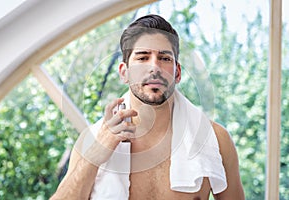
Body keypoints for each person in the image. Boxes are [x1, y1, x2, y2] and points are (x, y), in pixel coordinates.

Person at [51, 14, 245, 200]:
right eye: (143, 58)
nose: (154, 67)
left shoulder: (216, 139)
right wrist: (97, 152)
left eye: (164, 58)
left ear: (177, 73)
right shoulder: (91, 140)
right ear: (124, 73)